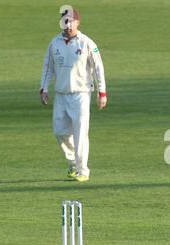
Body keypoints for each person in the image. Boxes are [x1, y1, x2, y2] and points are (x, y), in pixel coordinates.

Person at [40, 7, 107, 182]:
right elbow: (48, 67)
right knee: (60, 131)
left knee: (80, 133)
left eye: (72, 21)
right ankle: (72, 162)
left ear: (78, 22)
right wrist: (44, 88)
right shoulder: (54, 43)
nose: (68, 25)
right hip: (61, 94)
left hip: (81, 94)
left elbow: (98, 67)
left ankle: (83, 170)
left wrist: (102, 92)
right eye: (65, 21)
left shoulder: (87, 43)